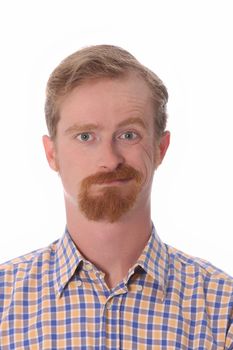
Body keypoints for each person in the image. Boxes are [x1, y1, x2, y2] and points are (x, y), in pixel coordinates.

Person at [0, 45, 232, 349]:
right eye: (85, 136)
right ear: (51, 153)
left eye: (128, 135)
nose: (109, 159)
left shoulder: (222, 310)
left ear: (161, 147)